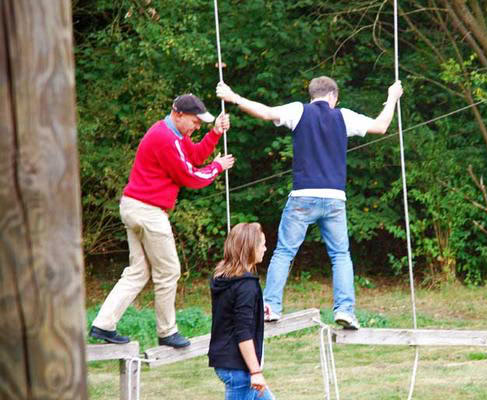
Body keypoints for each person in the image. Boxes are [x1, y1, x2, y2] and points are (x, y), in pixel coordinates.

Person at [216, 77, 403, 329]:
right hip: (335, 198)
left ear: (311, 94)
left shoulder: (298, 110)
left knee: (284, 252)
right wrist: (392, 96)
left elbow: (265, 112)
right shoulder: (343, 116)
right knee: (340, 256)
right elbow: (381, 126)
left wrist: (234, 97)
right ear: (333, 96)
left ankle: (271, 306)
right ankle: (345, 310)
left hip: (303, 196)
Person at [90, 94, 235, 348]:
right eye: (195, 121)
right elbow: (190, 176)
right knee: (168, 271)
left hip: (135, 206)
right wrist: (218, 167)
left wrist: (214, 133)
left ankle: (103, 324)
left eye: (201, 123)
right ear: (177, 114)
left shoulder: (175, 135)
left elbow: (195, 157)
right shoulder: (166, 140)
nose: (197, 126)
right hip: (148, 211)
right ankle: (167, 332)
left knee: (138, 272)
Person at [209, 222, 275, 400]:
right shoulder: (246, 285)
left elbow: (230, 312)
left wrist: (258, 311)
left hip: (227, 360)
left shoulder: (222, 277)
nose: (265, 248)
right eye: (262, 244)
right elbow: (242, 331)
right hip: (238, 368)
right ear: (250, 247)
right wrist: (255, 371)